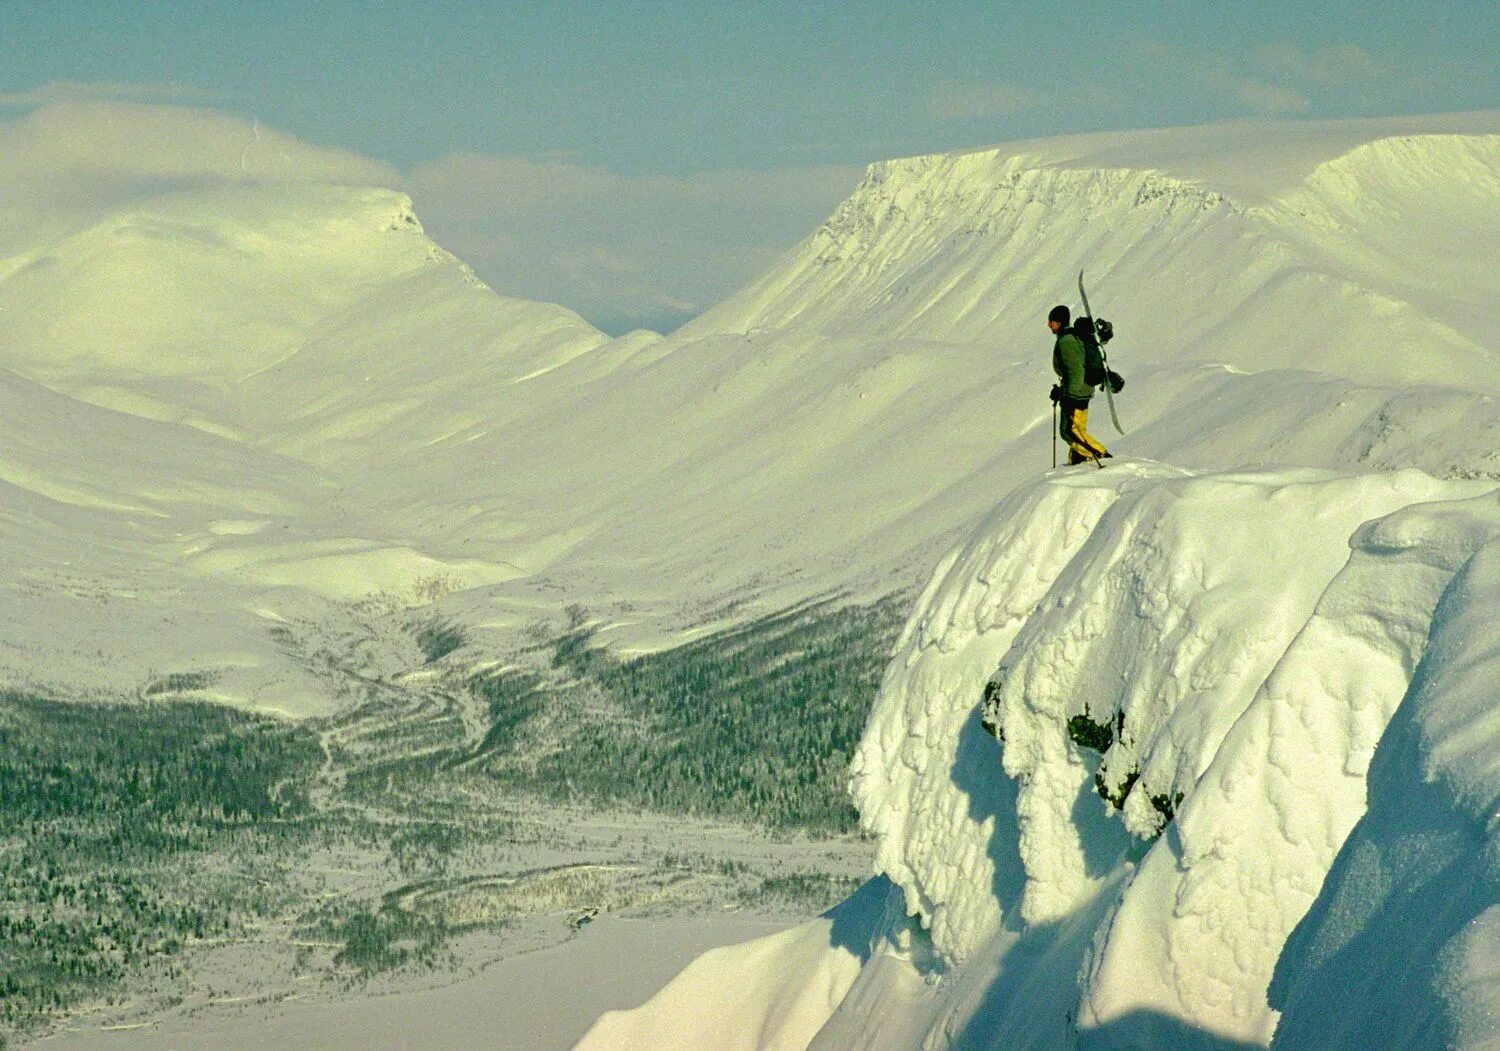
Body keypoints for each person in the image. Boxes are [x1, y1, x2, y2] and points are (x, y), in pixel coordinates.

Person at [1048, 304, 1110, 466]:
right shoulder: (1071, 337)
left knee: (1069, 431)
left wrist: (1069, 395)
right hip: (1082, 389)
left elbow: (1076, 370)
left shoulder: (1067, 341)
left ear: (1060, 322)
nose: (1049, 325)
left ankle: (1101, 455)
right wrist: (1061, 390)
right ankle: (1078, 460)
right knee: (1077, 429)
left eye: (1052, 321)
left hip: (1077, 392)